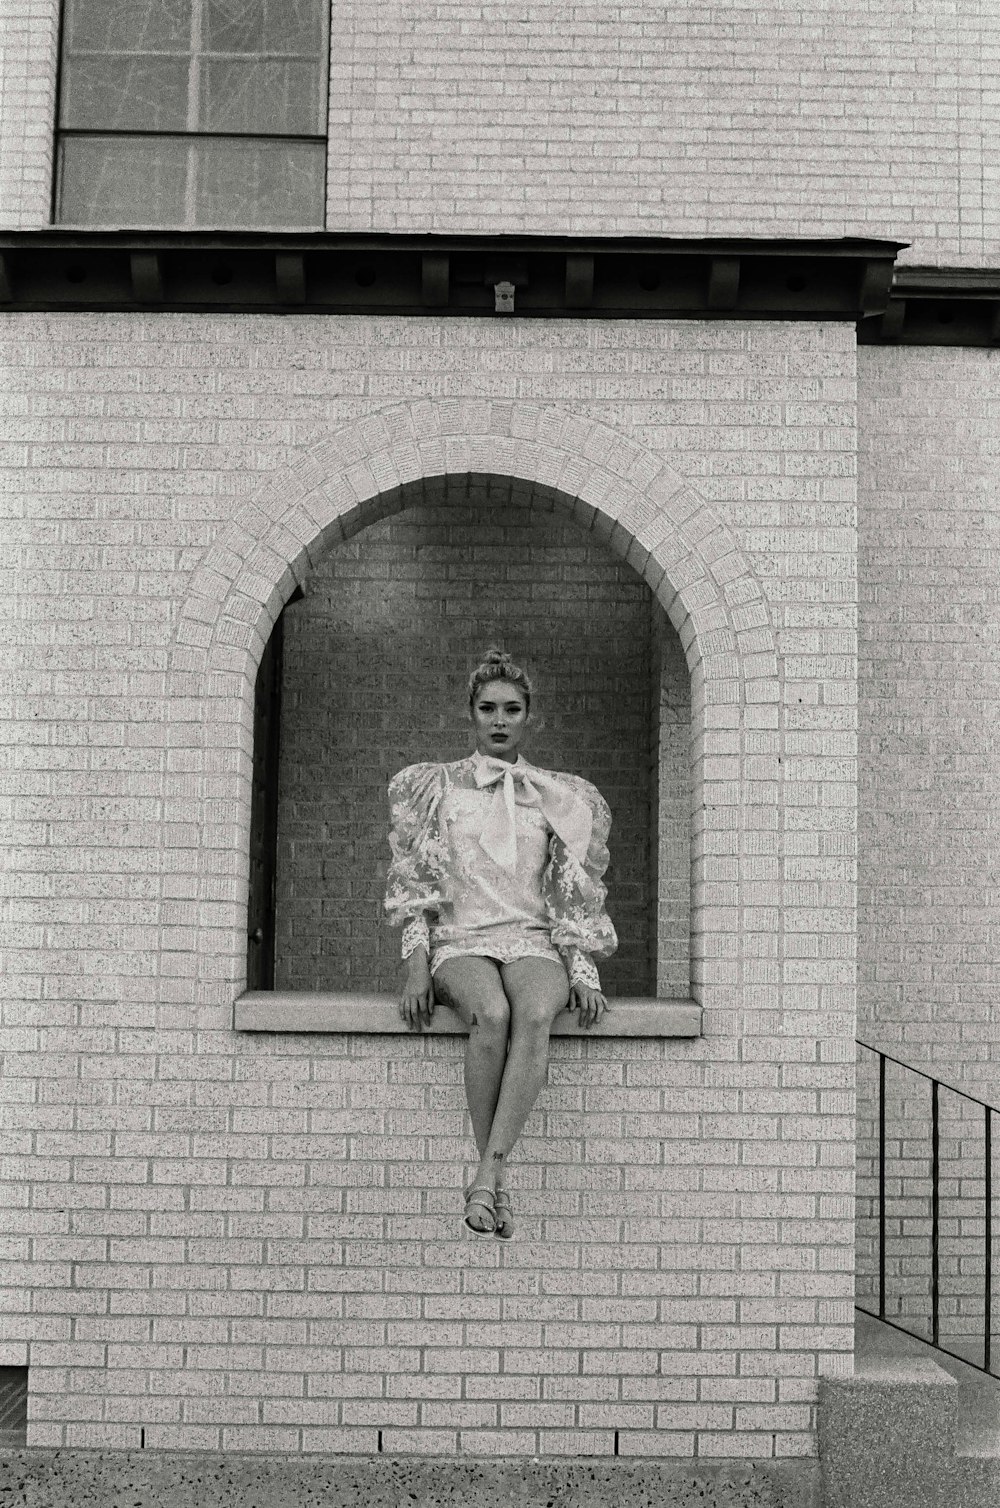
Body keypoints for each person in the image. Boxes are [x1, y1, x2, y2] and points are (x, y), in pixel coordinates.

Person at [383, 648, 617, 1238]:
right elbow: (416, 883)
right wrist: (416, 968)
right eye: (487, 708)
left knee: (537, 1010)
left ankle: (487, 1178)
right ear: (471, 714)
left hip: (531, 937)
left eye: (512, 709)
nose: (499, 720)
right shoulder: (434, 787)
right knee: (490, 1012)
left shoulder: (557, 795)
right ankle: (491, 1183)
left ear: (528, 717)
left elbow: (570, 887)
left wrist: (582, 968)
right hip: (461, 939)